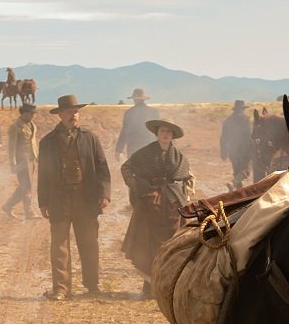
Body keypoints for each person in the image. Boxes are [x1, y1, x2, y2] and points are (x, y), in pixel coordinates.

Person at [36, 95, 111, 299]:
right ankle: (61, 288)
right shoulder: (47, 142)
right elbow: (43, 174)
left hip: (85, 199)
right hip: (59, 199)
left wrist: (104, 193)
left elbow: (103, 168)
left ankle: (92, 285)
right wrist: (43, 201)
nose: (73, 115)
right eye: (69, 112)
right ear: (59, 115)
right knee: (59, 246)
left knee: (89, 242)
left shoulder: (90, 138)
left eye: (76, 111)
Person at [121, 118, 193, 282]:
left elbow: (187, 178)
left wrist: (182, 195)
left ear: (173, 135)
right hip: (149, 204)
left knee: (172, 242)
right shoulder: (145, 153)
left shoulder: (179, 157)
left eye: (168, 132)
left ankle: (167, 282)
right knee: (147, 244)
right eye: (162, 131)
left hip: (172, 207)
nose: (165, 134)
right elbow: (126, 168)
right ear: (157, 134)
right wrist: (138, 187)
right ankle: (148, 283)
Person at [2, 105, 38, 220]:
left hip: (31, 159)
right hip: (21, 160)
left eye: (33, 113)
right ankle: (28, 211)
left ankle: (9, 205)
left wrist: (37, 156)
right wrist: (12, 163)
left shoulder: (31, 125)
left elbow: (33, 142)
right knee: (26, 186)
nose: (32, 116)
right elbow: (11, 147)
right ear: (23, 113)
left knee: (25, 185)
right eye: (30, 113)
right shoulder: (15, 127)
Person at [114, 88, 158, 160]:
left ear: (135, 99)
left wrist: (118, 150)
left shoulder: (129, 112)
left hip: (134, 148)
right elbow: (157, 131)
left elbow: (124, 132)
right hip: (150, 147)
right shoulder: (154, 112)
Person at [219, 99, 254, 187]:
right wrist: (253, 149)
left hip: (233, 152)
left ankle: (238, 193)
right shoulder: (245, 119)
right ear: (242, 109)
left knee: (237, 171)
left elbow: (223, 137)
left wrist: (223, 152)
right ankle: (235, 182)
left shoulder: (228, 120)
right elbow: (249, 135)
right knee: (246, 170)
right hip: (245, 150)